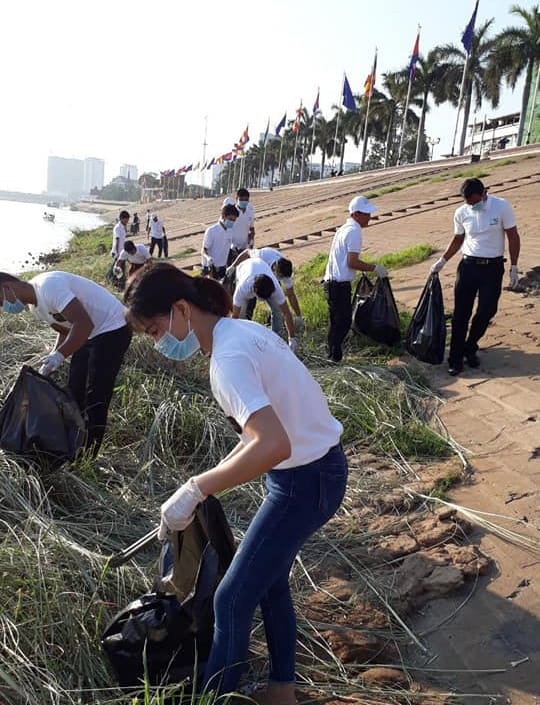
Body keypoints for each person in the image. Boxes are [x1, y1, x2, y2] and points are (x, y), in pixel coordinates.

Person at [123, 262, 347, 701]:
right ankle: (282, 691)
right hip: (315, 470)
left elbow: (272, 445)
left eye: (153, 331)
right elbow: (258, 437)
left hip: (304, 481)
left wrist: (198, 488)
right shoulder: (241, 332)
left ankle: (216, 697)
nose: (158, 344)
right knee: (269, 582)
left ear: (181, 309)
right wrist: (193, 485)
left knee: (230, 599)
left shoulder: (226, 360)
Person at [0, 270, 131, 456]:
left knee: (95, 396)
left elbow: (83, 324)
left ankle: (87, 456)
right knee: (74, 390)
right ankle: (73, 444)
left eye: (0, 301)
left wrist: (60, 356)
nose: (4, 307)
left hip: (112, 327)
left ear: (6, 287)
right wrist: (52, 356)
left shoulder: (48, 286)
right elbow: (64, 330)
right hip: (90, 334)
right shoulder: (35, 307)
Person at [430, 178, 521, 376]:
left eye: (474, 202)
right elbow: (458, 238)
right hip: (468, 266)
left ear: (483, 193)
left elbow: (513, 235)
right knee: (461, 313)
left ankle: (470, 346)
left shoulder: (501, 206)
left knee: (488, 309)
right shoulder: (461, 212)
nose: (471, 206)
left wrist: (514, 266)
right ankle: (455, 359)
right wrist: (442, 261)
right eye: (467, 203)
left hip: (493, 267)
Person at [323, 195, 388, 363]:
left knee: (336, 322)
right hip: (338, 286)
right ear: (356, 214)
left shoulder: (344, 228)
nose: (369, 217)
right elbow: (352, 262)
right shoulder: (354, 231)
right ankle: (334, 358)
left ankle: (331, 354)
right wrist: (375, 268)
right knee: (343, 322)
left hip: (331, 283)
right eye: (367, 214)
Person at [229, 247, 303, 333]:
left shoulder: (280, 280)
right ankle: (247, 333)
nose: (281, 277)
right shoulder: (262, 256)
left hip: (266, 282)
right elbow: (235, 316)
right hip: (249, 274)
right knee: (245, 312)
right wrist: (233, 266)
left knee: (277, 309)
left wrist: (298, 316)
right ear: (275, 268)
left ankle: (276, 335)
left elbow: (289, 299)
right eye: (279, 275)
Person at [232, 257, 297, 349]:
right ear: (254, 291)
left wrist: (292, 338)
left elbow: (286, 313)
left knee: (277, 310)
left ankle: (276, 339)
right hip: (244, 268)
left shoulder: (275, 288)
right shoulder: (242, 289)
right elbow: (235, 317)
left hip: (261, 265)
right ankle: (245, 342)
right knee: (242, 317)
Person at [201, 204, 238, 280]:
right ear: (223, 216)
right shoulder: (212, 231)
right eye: (230, 219)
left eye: (234, 220)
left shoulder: (230, 231)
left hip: (222, 268)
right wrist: (208, 258)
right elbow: (203, 250)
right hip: (209, 268)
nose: (232, 222)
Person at [228, 187, 255, 263]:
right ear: (236, 198)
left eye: (246, 200)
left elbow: (252, 229)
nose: (244, 202)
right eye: (241, 200)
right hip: (231, 248)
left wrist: (251, 241)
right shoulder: (231, 211)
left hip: (244, 248)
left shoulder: (250, 212)